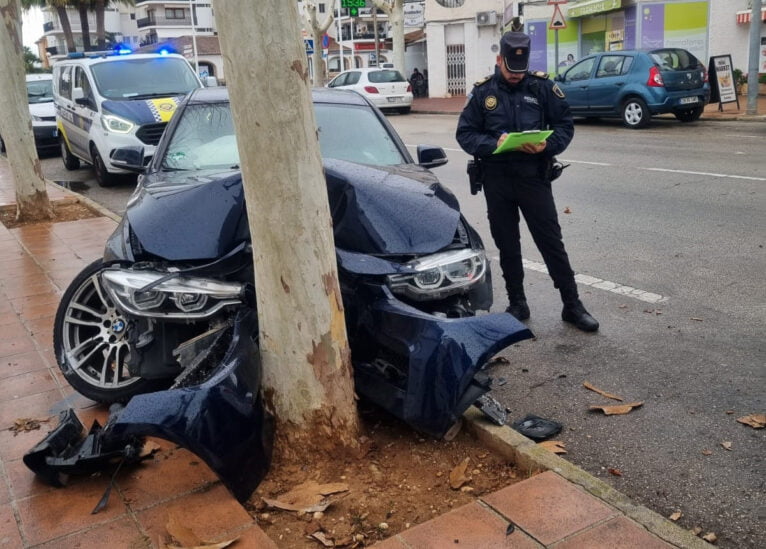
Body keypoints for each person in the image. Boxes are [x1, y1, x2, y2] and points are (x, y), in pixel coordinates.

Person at [455, 31, 599, 332]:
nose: (516, 76)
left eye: (520, 71)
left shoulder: (543, 87)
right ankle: (517, 302)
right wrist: (496, 142)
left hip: (533, 178)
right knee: (507, 244)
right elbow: (465, 135)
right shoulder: (483, 93)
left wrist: (547, 146)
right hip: (497, 180)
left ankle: (572, 304)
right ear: (499, 61)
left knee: (551, 242)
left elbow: (564, 126)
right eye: (510, 70)